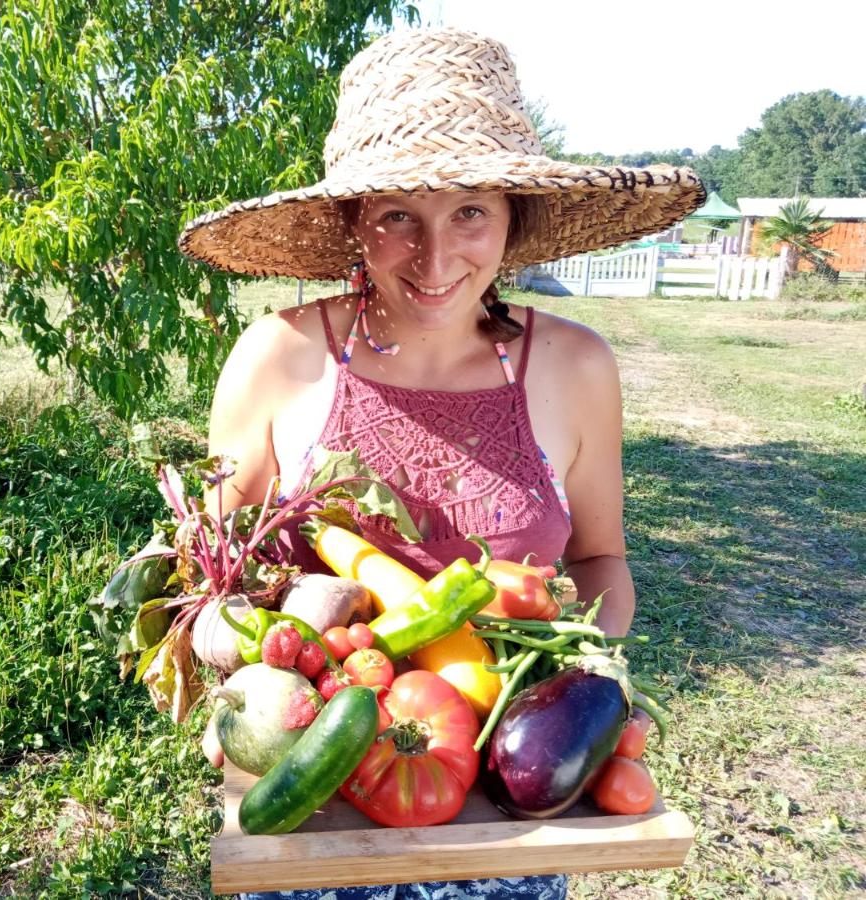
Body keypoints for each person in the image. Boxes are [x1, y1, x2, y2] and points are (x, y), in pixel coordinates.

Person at [179, 27, 704, 900]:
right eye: (396, 216)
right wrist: (229, 688)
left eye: (469, 212)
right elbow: (213, 576)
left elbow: (600, 562)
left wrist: (586, 681)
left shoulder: (575, 368)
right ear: (352, 220)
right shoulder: (277, 357)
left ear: (514, 218)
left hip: (508, 822)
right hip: (316, 811)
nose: (433, 257)